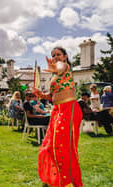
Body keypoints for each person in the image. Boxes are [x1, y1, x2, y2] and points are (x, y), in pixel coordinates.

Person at [33, 46, 83, 187]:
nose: (56, 57)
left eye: (58, 54)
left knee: (63, 147)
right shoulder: (55, 76)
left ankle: (69, 181)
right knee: (48, 146)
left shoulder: (65, 67)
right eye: (53, 55)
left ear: (65, 56)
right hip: (57, 110)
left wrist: (57, 67)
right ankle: (57, 178)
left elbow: (60, 67)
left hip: (69, 109)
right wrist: (41, 95)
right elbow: (52, 95)